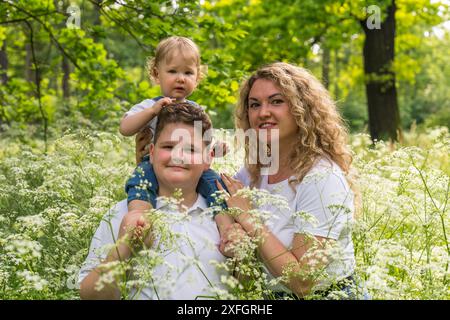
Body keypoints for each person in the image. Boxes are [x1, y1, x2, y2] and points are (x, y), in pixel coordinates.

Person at [216, 62, 367, 299]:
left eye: (277, 101)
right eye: (254, 104)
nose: (263, 112)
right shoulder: (254, 172)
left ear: (302, 108)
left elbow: (302, 281)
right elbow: (210, 196)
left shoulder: (321, 178)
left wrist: (248, 218)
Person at [79, 102, 227, 299]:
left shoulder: (224, 219)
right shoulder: (122, 214)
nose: (178, 155)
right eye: (168, 146)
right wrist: (124, 247)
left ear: (208, 159)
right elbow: (89, 295)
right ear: (152, 152)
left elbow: (244, 288)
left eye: (190, 149)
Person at [119, 36, 232, 238]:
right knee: (141, 181)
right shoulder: (149, 105)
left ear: (197, 79)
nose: (180, 78)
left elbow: (205, 142)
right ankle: (140, 221)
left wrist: (217, 148)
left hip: (192, 163)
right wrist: (153, 111)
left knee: (214, 184)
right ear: (156, 74)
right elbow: (125, 128)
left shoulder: (196, 110)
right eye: (172, 71)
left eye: (188, 73)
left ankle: (226, 227)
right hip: (155, 163)